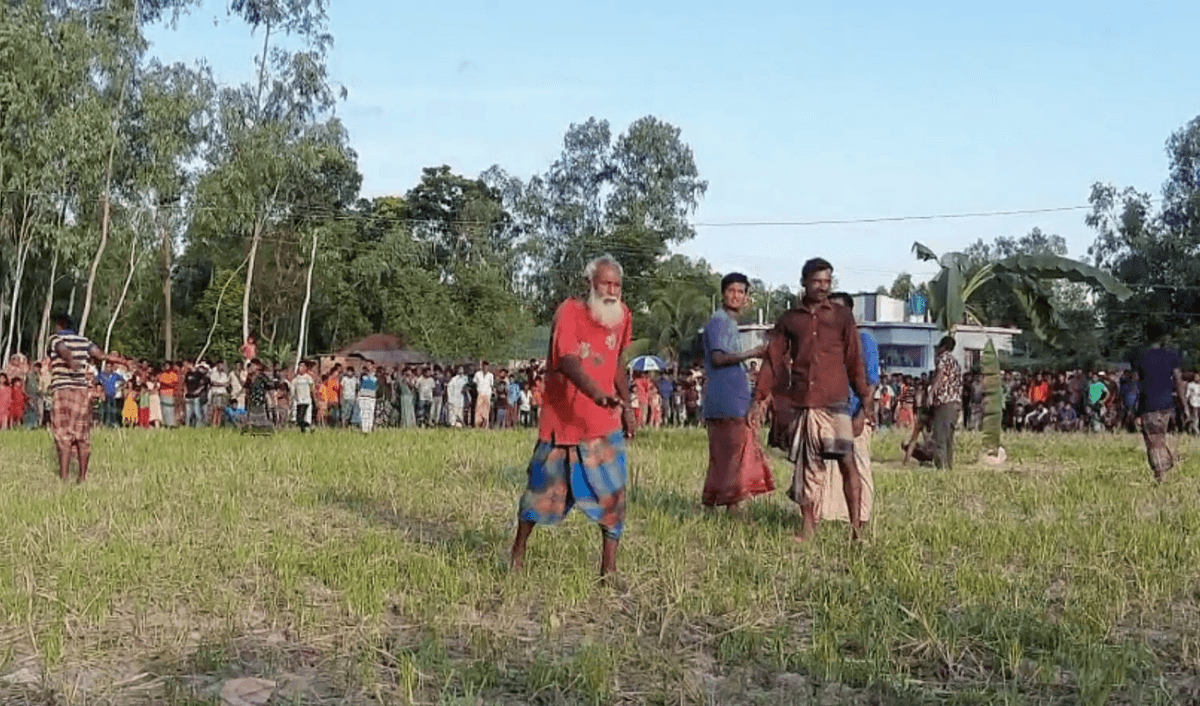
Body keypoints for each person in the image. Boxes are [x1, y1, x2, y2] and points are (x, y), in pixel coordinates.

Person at [510, 254, 636, 578]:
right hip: (563, 423)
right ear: (589, 283)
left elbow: (618, 364)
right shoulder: (569, 312)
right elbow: (567, 360)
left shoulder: (623, 316)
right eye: (606, 283)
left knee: (614, 495)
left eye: (617, 285)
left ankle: (608, 571)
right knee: (539, 494)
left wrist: (627, 407)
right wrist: (596, 392)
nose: (612, 291)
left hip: (603, 424)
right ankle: (517, 554)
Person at [752, 258, 871, 542]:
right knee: (806, 467)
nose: (823, 287)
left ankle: (856, 528)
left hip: (836, 399)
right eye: (817, 281)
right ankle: (808, 527)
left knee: (847, 462)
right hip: (804, 400)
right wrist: (760, 398)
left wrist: (865, 405)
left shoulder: (842, 316)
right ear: (804, 282)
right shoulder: (790, 319)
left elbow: (854, 360)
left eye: (827, 281)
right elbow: (774, 359)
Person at [700, 272, 773, 513]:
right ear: (723, 294)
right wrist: (753, 353)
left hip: (730, 398)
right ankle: (731, 508)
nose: (736, 296)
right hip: (726, 400)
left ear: (746, 297)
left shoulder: (729, 323)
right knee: (734, 455)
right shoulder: (719, 321)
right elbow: (718, 358)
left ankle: (715, 505)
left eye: (741, 292)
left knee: (725, 456)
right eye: (731, 291)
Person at [819, 293, 879, 523]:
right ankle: (833, 515)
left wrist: (862, 415)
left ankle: (861, 518)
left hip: (854, 413)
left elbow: (871, 383)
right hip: (830, 413)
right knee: (831, 468)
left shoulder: (864, 341)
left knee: (859, 465)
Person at [47, 314, 127, 481]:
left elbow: (62, 349)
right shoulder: (84, 341)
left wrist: (70, 361)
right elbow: (101, 355)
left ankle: (64, 477)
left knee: (63, 434)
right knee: (81, 433)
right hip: (81, 390)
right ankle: (82, 477)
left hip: (62, 389)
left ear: (61, 324)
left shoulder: (55, 339)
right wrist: (122, 361)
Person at [1134, 321, 1187, 480]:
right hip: (1167, 405)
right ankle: (1165, 466)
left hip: (1149, 405)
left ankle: (1161, 475)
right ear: (1163, 337)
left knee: (1153, 441)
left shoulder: (1141, 357)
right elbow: (1178, 381)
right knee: (1159, 438)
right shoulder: (1171, 356)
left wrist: (1133, 408)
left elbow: (1135, 384)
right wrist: (1184, 406)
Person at [929, 335, 962, 470]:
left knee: (940, 437)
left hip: (944, 401)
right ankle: (949, 466)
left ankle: (940, 467)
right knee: (949, 438)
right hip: (956, 402)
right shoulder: (955, 362)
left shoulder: (943, 358)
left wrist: (931, 393)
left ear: (942, 346)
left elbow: (940, 375)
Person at [292, 360, 315, 433]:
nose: (300, 368)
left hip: (306, 401)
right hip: (298, 401)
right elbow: (293, 390)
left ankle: (308, 427)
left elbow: (312, 388)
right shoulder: (296, 379)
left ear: (305, 368)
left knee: (300, 417)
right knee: (299, 419)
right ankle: (306, 429)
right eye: (300, 366)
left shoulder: (308, 378)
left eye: (302, 366)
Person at [358, 362, 379, 433]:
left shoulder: (376, 376)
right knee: (364, 413)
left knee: (371, 412)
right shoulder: (363, 375)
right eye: (367, 365)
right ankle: (364, 429)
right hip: (363, 396)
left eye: (370, 365)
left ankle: (370, 427)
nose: (368, 366)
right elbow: (359, 384)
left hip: (372, 397)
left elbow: (377, 386)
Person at [473, 362, 494, 428]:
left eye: (486, 366)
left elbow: (491, 385)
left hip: (487, 394)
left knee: (486, 411)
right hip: (480, 393)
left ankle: (485, 426)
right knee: (478, 410)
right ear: (482, 367)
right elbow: (475, 383)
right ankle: (477, 425)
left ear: (488, 367)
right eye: (484, 366)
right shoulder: (477, 374)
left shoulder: (490, 375)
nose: (485, 368)